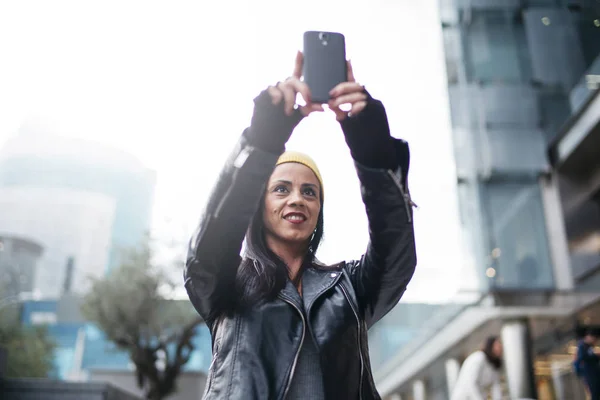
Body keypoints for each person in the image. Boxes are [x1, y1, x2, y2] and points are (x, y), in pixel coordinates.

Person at [183, 51, 417, 400]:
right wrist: (262, 141)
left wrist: (374, 153)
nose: (297, 199)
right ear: (259, 206)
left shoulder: (350, 288)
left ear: (318, 210)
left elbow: (396, 249)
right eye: (281, 189)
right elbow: (213, 238)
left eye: (310, 192)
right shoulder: (225, 283)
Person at [450, 336, 503, 400]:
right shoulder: (478, 358)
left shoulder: (493, 365)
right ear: (490, 346)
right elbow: (470, 384)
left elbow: (496, 387)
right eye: (497, 345)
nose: (500, 348)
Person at [575, 329, 600, 400]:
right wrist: (596, 356)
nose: (594, 341)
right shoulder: (582, 346)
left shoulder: (589, 346)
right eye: (594, 339)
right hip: (590, 374)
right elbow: (583, 357)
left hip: (593, 373)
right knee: (595, 392)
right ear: (589, 337)